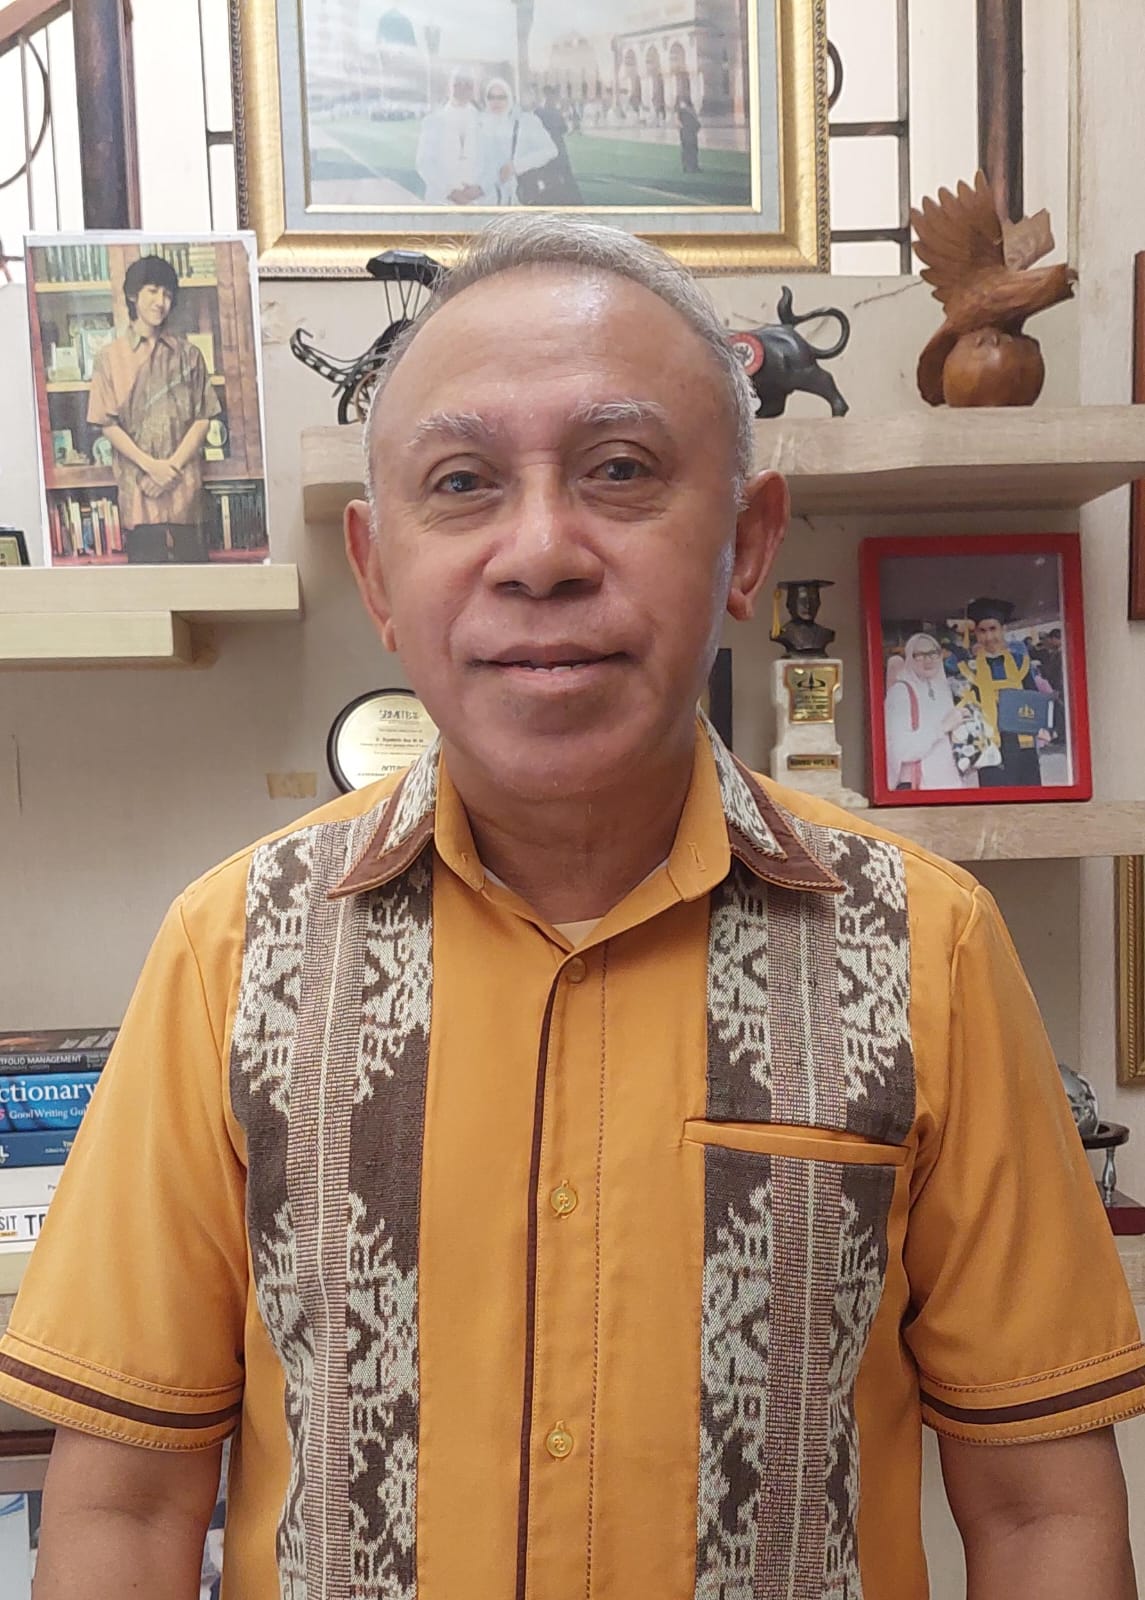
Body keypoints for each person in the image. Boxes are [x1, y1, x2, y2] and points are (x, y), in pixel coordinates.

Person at [5, 215, 1141, 1600]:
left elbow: (1037, 1511)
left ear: (745, 544)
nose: (539, 551)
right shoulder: (229, 955)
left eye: (619, 471)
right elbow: (125, 1508)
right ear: (376, 573)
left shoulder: (928, 950)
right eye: (463, 483)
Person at [87, 254, 221, 564]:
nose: (160, 302)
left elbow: (203, 417)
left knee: (197, 583)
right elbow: (108, 424)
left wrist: (171, 467)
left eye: (167, 294)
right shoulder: (110, 358)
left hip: (185, 492)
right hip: (139, 492)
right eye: (152, 291)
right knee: (147, 583)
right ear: (134, 295)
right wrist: (151, 467)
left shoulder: (189, 355)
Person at [959, 596, 1053, 787]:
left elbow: (1034, 698)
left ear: (1003, 629)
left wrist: (1043, 728)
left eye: (993, 629)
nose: (989, 637)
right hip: (989, 745)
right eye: (982, 631)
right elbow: (966, 706)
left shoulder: (1020, 662)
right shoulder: (969, 668)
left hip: (1022, 744)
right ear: (976, 633)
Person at [884, 632, 971, 790]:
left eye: (933, 653)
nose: (928, 660)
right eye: (920, 655)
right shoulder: (900, 692)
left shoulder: (943, 690)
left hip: (952, 785)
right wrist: (942, 727)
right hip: (921, 788)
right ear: (910, 658)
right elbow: (901, 750)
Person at [478, 77, 557, 206]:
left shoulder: (525, 121)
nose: (496, 102)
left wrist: (516, 166)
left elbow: (550, 150)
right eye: (491, 97)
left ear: (509, 97)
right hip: (487, 198)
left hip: (518, 195)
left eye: (501, 97)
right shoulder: (480, 123)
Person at [415, 66, 484, 204]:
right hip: (441, 200)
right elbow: (424, 163)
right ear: (449, 87)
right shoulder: (432, 121)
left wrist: (480, 188)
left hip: (476, 200)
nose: (462, 88)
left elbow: (491, 163)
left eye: (468, 84)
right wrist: (450, 191)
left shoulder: (483, 121)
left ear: (474, 89)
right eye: (457, 84)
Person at [528, 84, 585, 205]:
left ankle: (553, 199)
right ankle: (575, 201)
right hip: (557, 147)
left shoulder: (538, 112)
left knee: (549, 176)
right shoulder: (553, 111)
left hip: (546, 148)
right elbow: (564, 129)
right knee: (564, 175)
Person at [678, 95, 701, 173]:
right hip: (689, 133)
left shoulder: (685, 111)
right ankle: (691, 166)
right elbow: (696, 123)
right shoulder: (688, 111)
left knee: (688, 150)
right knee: (691, 150)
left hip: (687, 133)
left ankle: (688, 166)